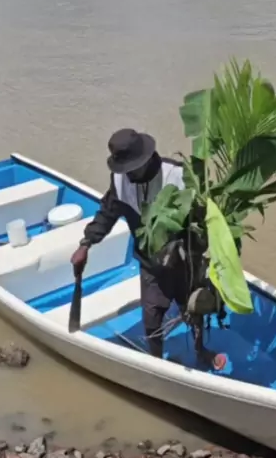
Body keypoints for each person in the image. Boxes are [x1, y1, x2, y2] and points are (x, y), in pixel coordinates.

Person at [70, 128, 226, 369]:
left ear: (146, 159)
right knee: (152, 318)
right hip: (150, 264)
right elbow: (107, 213)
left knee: (193, 308)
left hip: (184, 261)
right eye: (124, 169)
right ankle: (156, 363)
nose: (128, 174)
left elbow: (206, 217)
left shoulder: (177, 175)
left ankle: (200, 349)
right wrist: (86, 243)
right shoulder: (120, 180)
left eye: (133, 168)